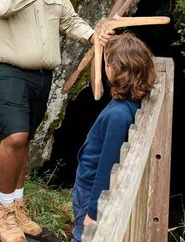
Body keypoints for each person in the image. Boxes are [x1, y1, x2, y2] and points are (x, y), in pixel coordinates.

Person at [0, 0, 112, 242]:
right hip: (5, 69)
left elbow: (69, 21)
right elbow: (2, 5)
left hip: (41, 75)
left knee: (26, 141)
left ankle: (18, 207)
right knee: (16, 137)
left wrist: (93, 35)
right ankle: (4, 212)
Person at [71, 32, 156, 242]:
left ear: (113, 69)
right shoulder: (128, 102)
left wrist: (93, 213)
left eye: (107, 62)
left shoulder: (118, 115)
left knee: (82, 236)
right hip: (90, 186)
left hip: (90, 188)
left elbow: (107, 166)